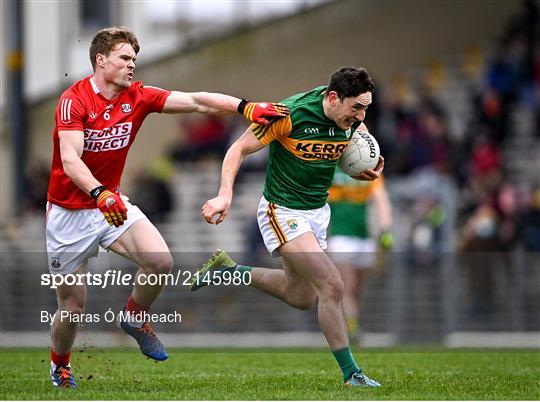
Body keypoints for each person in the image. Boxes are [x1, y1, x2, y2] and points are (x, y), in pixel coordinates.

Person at [45, 26, 288, 388]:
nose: (132, 66)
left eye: (134, 59)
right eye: (125, 58)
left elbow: (196, 101)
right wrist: (99, 192)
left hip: (108, 204)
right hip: (69, 212)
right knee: (72, 306)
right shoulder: (74, 99)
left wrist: (244, 107)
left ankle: (134, 316)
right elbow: (70, 158)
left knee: (160, 261)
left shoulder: (138, 96)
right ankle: (60, 365)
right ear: (101, 60)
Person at [192, 67, 384, 387]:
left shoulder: (349, 121)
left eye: (366, 108)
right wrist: (224, 194)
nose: (362, 116)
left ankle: (229, 270)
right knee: (333, 286)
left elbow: (331, 152)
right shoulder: (289, 114)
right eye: (357, 108)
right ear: (333, 98)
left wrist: (357, 170)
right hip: (281, 211)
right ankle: (353, 374)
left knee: (301, 297)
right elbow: (237, 149)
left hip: (317, 212)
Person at [327, 169, 393, 344]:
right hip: (341, 237)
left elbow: (381, 199)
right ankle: (352, 328)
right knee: (348, 285)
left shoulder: (367, 166)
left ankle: (352, 323)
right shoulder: (331, 167)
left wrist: (385, 230)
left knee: (358, 288)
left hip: (364, 238)